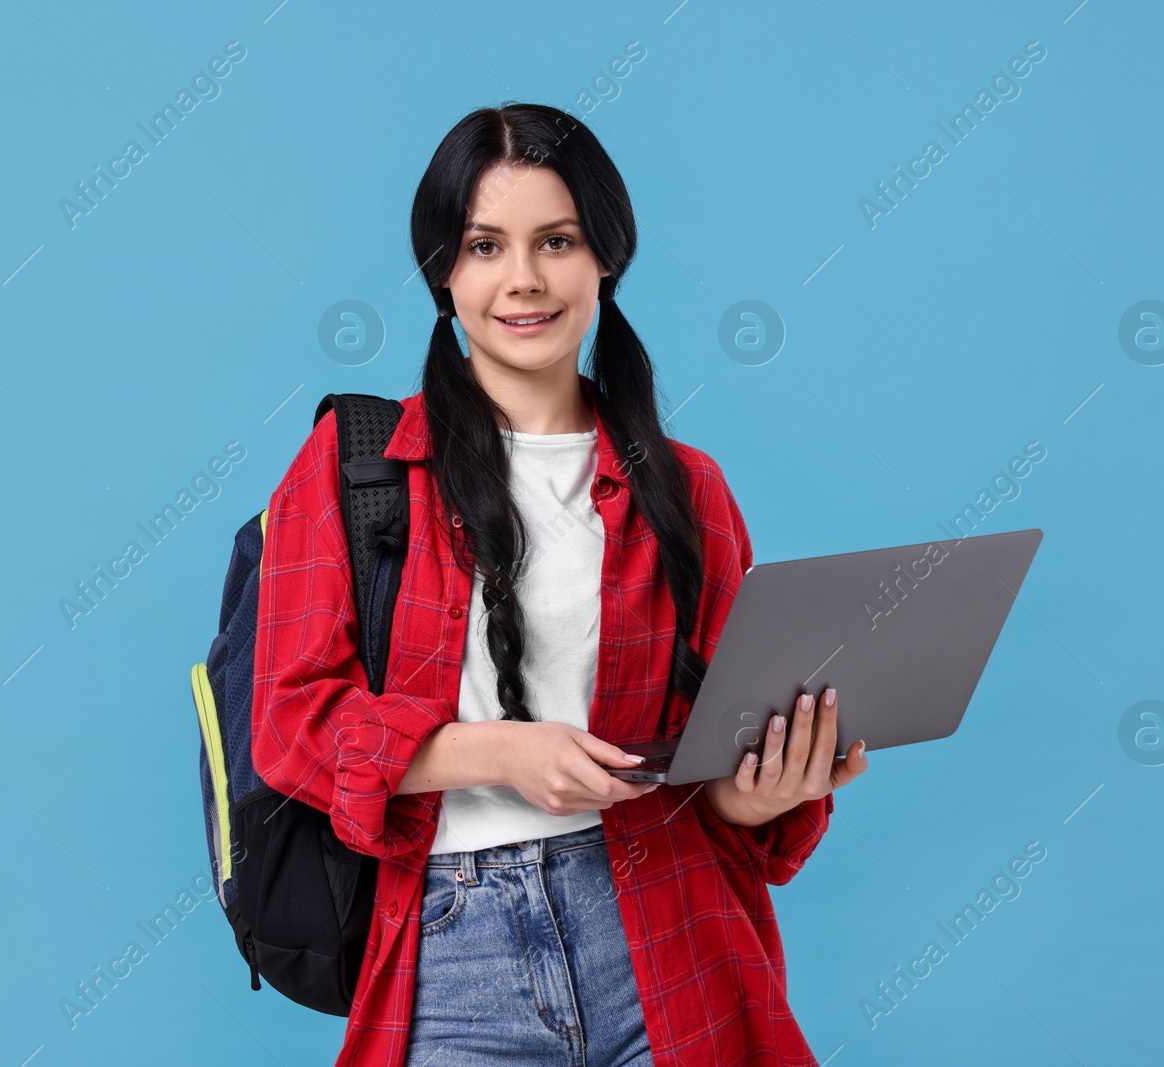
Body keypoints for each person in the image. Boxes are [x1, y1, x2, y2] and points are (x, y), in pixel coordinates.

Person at [252, 102, 869, 1067]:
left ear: (604, 261)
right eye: (485, 245)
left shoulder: (688, 489)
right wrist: (495, 751)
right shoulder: (359, 466)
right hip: (453, 953)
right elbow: (290, 725)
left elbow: (710, 763)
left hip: (670, 936)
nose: (524, 278)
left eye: (558, 240)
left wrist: (761, 795)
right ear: (444, 272)